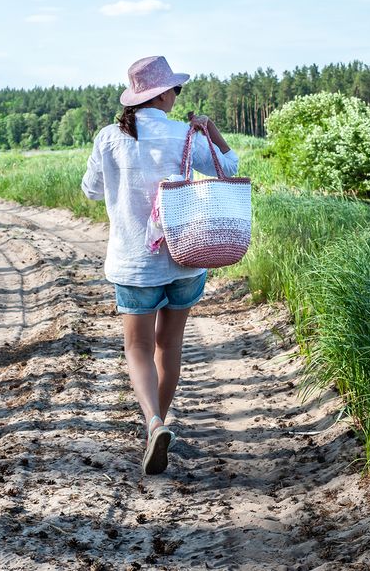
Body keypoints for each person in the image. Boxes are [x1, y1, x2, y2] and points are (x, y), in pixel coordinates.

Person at [81, 55, 239, 475]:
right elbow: (232, 168)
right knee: (169, 346)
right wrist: (212, 131)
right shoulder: (185, 134)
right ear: (163, 94)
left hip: (135, 262)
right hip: (185, 258)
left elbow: (91, 190)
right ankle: (161, 424)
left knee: (137, 348)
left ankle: (152, 424)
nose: (176, 95)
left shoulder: (109, 137)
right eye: (175, 89)